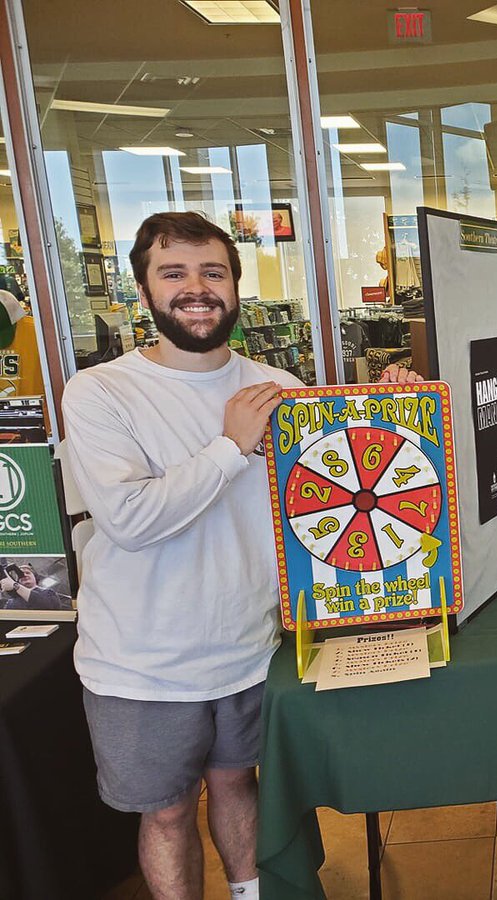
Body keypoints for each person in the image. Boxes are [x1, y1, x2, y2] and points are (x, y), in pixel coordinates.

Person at [61, 211, 420, 900]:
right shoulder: (102, 392)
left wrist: (383, 414)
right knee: (166, 812)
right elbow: (132, 520)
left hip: (251, 647)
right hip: (143, 663)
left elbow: (329, 497)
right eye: (174, 273)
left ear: (234, 286)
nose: (196, 288)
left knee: (238, 784)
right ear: (145, 292)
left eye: (212, 272)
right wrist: (229, 448)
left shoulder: (277, 385)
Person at [0, 562, 70, 611]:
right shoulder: (11, 602)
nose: (24, 575)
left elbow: (47, 606)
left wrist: (15, 586)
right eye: (20, 574)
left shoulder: (48, 593)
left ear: (35, 577)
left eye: (27, 573)